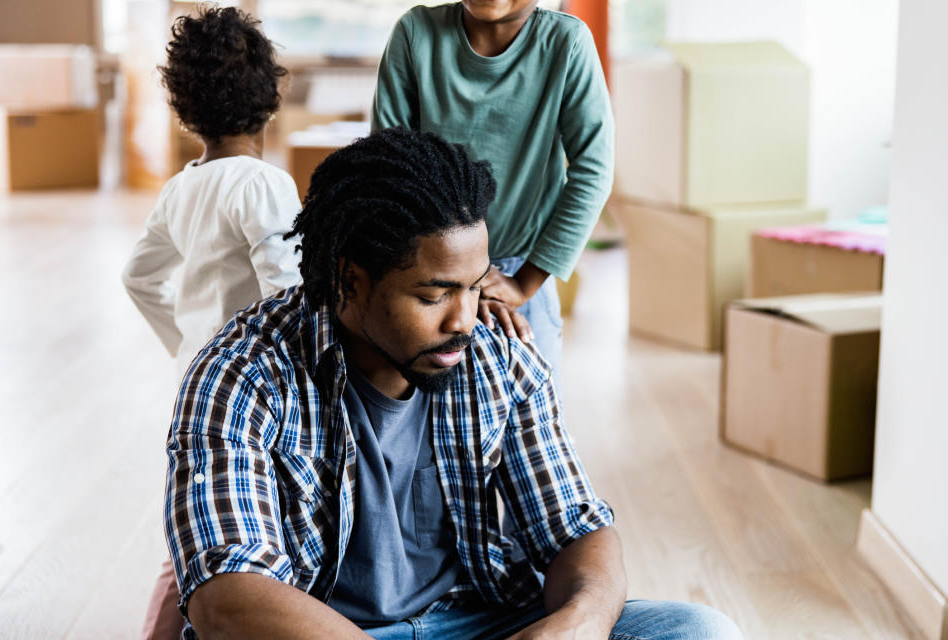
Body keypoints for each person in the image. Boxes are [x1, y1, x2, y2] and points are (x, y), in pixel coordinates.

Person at [163, 128, 742, 640]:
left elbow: (575, 529)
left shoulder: (495, 352)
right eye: (433, 294)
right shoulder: (241, 373)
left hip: (476, 618)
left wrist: (578, 624)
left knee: (700, 632)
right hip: (325, 630)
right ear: (350, 280)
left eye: (474, 284)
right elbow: (227, 598)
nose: (465, 319)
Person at [121, 6, 300, 638]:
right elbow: (289, 291)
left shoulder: (180, 188)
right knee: (258, 528)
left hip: (195, 386)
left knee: (190, 534)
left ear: (183, 110)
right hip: (258, 393)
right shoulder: (264, 185)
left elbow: (138, 278)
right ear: (270, 101)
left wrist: (189, 345)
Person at [371, 0, 614, 382]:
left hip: (519, 278)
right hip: (426, 275)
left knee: (527, 427)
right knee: (424, 425)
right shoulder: (416, 33)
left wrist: (523, 284)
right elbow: (388, 164)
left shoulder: (566, 43)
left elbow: (594, 172)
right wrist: (446, 276)